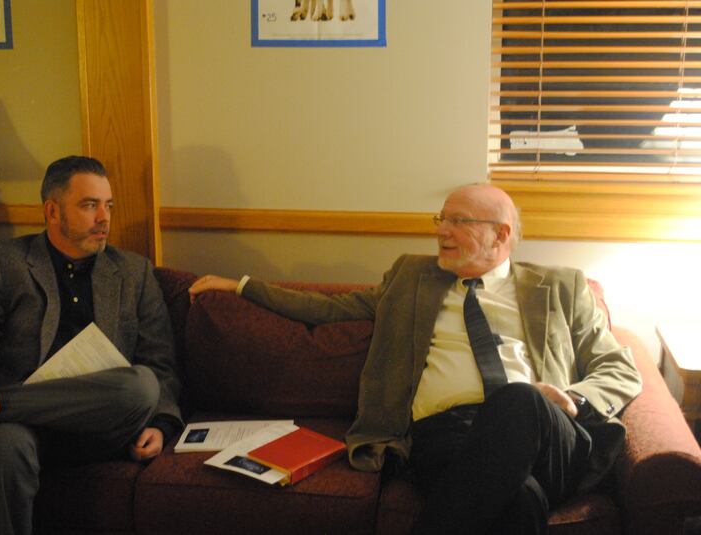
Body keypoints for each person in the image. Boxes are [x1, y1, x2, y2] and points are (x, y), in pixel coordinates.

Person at [187, 183, 642, 534]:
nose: (439, 231)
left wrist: (571, 399)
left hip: (545, 433)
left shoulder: (561, 286)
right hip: (447, 434)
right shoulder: (411, 278)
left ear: (500, 234)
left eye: (457, 221)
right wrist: (243, 286)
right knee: (520, 501)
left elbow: (620, 368)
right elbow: (329, 309)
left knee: (518, 400)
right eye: (440, 218)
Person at [0, 156, 182, 535]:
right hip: (16, 431)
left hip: (97, 426)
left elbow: (160, 363)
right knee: (0, 451)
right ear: (52, 211)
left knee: (141, 385)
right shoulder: (4, 262)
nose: (104, 217)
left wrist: (163, 425)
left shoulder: (134, 273)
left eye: (108, 205)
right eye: (89, 205)